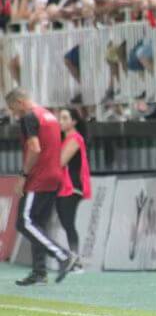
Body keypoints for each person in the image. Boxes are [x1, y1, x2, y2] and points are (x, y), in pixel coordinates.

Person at [4, 89, 77, 285]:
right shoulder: (49, 116)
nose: (14, 114)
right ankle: (39, 272)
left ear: (20, 102)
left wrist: (23, 175)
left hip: (39, 177)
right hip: (54, 175)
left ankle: (62, 255)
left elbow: (35, 148)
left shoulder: (29, 117)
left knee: (24, 222)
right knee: (38, 223)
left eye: (13, 109)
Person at [56, 108, 92, 273]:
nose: (60, 121)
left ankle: (76, 261)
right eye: (60, 118)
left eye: (64, 118)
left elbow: (61, 161)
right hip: (63, 186)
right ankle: (73, 259)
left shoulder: (75, 139)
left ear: (74, 121)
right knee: (66, 223)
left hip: (72, 186)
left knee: (68, 223)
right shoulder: (65, 138)